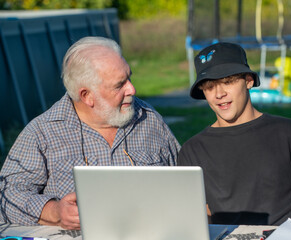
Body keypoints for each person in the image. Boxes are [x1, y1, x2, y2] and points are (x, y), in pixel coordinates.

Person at [0, 36, 180, 230]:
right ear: (87, 96)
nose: (132, 89)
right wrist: (55, 212)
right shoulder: (43, 133)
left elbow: (184, 182)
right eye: (119, 85)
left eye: (129, 77)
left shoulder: (149, 119)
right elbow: (6, 195)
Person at [177, 42, 291, 226]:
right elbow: (202, 211)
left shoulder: (290, 132)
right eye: (209, 87)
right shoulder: (192, 150)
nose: (219, 94)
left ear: (248, 80)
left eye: (228, 82)